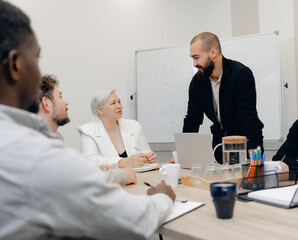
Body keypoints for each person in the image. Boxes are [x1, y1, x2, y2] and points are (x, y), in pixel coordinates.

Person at [0, 1, 175, 239]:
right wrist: (163, 197)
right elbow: (132, 220)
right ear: (16, 65)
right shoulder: (34, 154)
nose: (119, 105)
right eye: (37, 59)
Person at [37, 75, 136, 185]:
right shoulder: (37, 144)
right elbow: (69, 183)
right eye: (60, 97)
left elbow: (70, 173)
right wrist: (122, 175)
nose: (66, 102)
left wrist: (97, 170)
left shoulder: (56, 137)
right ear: (46, 103)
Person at [183, 32, 264, 163]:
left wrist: (255, 161)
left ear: (213, 53)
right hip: (219, 144)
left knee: (246, 180)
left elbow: (248, 119)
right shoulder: (197, 82)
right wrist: (184, 155)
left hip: (244, 143)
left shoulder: (241, 74)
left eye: (196, 57)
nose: (194, 63)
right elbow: (192, 119)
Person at [78, 90, 157, 168]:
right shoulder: (88, 131)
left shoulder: (134, 126)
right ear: (100, 110)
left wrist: (149, 157)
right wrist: (121, 162)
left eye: (119, 102)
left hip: (141, 176)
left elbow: (146, 153)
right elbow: (90, 160)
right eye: (113, 103)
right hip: (111, 179)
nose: (119, 106)